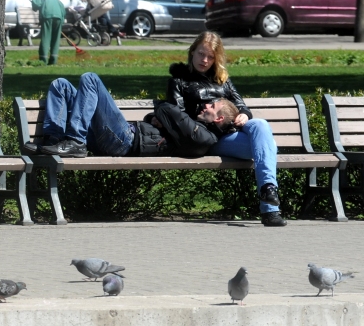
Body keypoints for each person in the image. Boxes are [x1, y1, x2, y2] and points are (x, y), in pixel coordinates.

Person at [167, 31, 287, 227]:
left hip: (234, 132)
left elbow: (242, 105)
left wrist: (244, 115)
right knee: (269, 146)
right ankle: (270, 210)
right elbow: (178, 119)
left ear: (217, 58)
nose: (204, 60)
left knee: (260, 124)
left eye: (210, 57)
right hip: (210, 138)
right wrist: (207, 120)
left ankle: (268, 189)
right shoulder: (179, 81)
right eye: (201, 54)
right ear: (192, 52)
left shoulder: (222, 79)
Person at [22, 72, 237, 159]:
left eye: (212, 106)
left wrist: (162, 114)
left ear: (218, 119)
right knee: (60, 86)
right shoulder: (194, 126)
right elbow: (162, 118)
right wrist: (155, 119)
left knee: (90, 79)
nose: (206, 105)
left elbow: (165, 108)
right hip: (123, 134)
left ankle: (75, 141)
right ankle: (55, 140)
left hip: (125, 140)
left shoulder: (204, 137)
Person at [30, 0, 66, 64]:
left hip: (47, 16)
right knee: (56, 39)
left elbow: (36, 4)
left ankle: (43, 59)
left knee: (46, 37)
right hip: (59, 17)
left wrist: (35, 6)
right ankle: (54, 59)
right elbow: (62, 8)